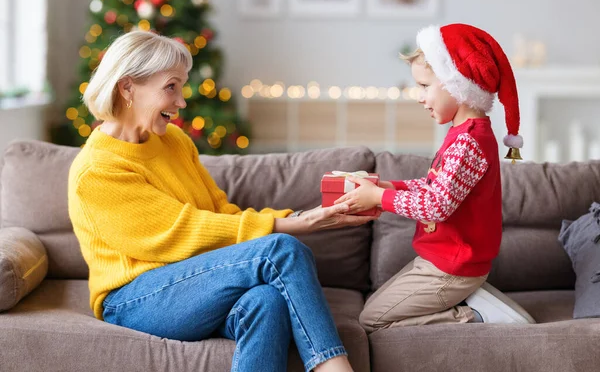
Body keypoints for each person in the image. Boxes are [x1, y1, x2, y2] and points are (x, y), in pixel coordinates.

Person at [68, 30, 379, 372]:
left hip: (193, 287)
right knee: (282, 249)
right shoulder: (97, 170)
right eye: (171, 87)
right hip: (133, 299)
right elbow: (180, 231)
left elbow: (219, 213)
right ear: (128, 87)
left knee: (267, 301)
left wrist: (307, 215)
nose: (182, 101)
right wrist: (297, 224)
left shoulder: (174, 141)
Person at [334, 23, 536, 331]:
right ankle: (469, 300)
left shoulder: (469, 140)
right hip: (439, 261)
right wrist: (388, 186)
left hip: (450, 268)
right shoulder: (462, 134)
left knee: (371, 319)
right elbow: (437, 188)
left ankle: (474, 315)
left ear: (458, 85)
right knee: (376, 306)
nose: (419, 96)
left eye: (426, 86)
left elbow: (436, 205)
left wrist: (379, 198)